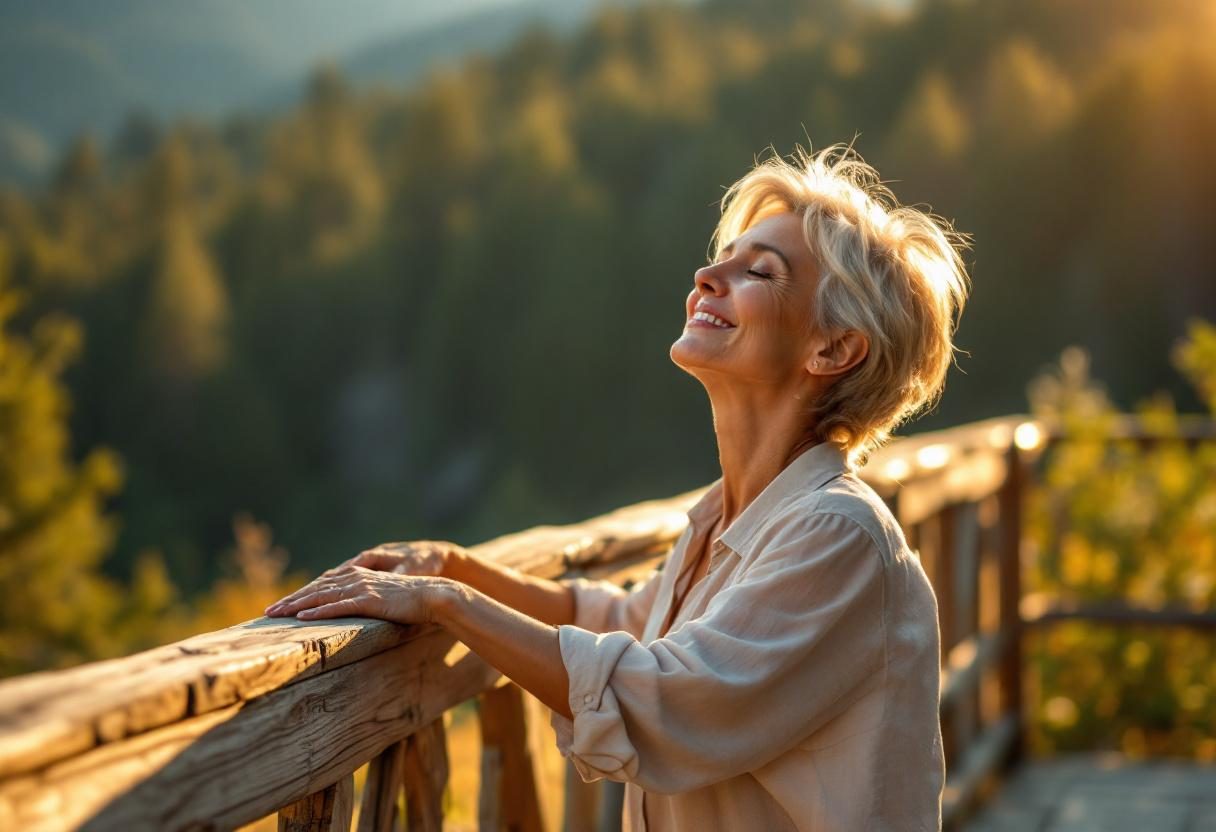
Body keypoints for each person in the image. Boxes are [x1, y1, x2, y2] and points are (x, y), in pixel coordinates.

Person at [265, 144, 969, 831]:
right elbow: (626, 627)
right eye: (720, 258)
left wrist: (448, 604)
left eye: (759, 271)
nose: (705, 275)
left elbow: (664, 697)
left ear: (834, 348)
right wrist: (454, 566)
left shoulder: (838, 536)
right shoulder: (728, 517)